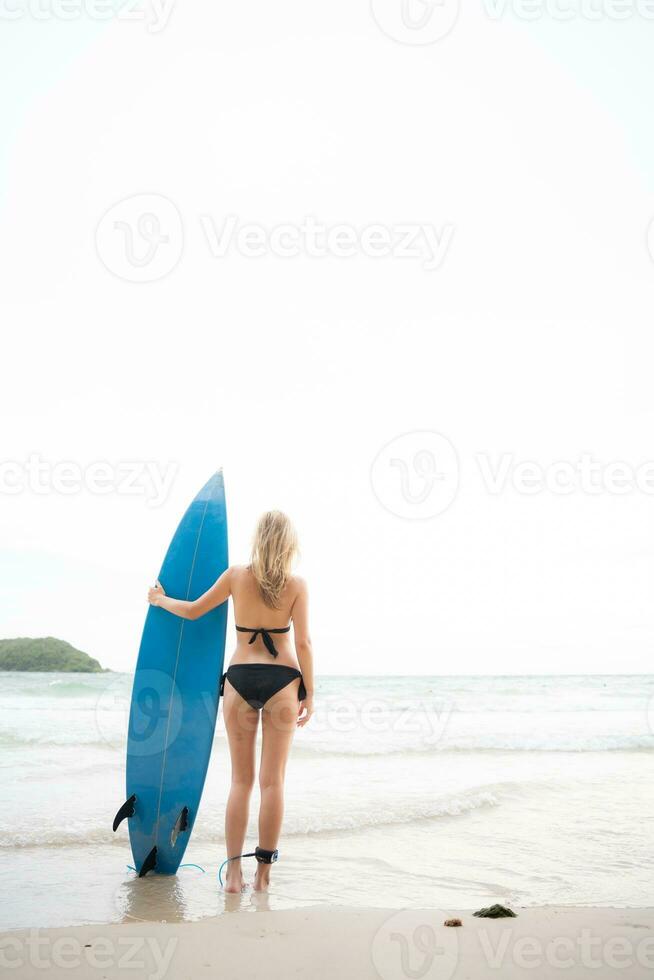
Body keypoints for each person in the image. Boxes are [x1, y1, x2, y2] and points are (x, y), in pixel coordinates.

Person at [147, 510, 314, 893]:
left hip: (239, 680)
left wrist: (160, 600)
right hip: (283, 681)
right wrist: (310, 692)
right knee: (273, 783)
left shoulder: (237, 576)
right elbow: (303, 643)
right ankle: (264, 877)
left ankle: (234, 877)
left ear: (258, 539)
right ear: (289, 544)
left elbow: (192, 611)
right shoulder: (297, 585)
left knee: (241, 781)